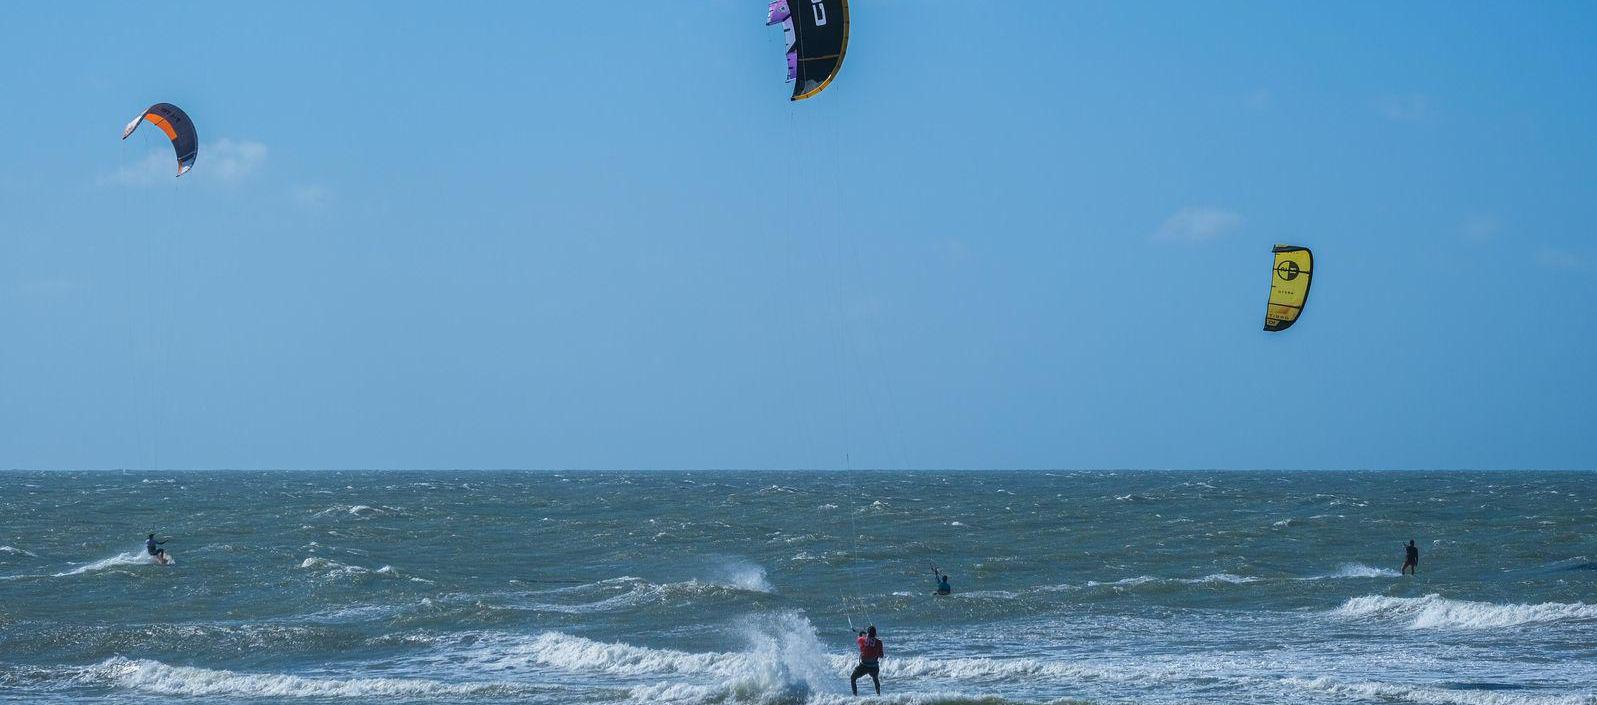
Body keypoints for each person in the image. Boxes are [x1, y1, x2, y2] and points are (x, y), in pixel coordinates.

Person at [851, 625, 884, 696]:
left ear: (868, 633)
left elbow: (859, 638)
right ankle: (878, 695)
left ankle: (855, 696)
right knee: (875, 679)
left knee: (853, 678)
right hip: (874, 667)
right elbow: (881, 655)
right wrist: (875, 650)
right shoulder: (879, 642)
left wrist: (861, 634)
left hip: (864, 666)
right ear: (875, 634)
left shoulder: (862, 640)